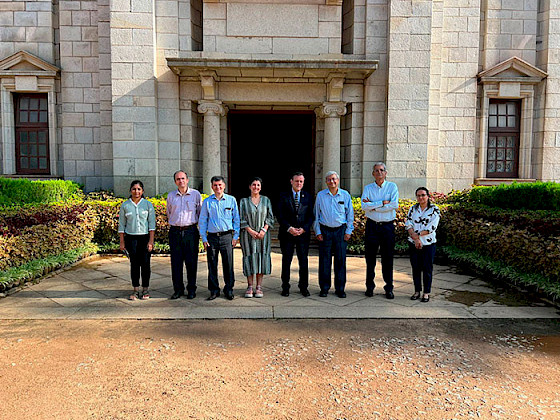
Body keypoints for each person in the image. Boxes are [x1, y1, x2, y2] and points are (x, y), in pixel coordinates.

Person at [361, 162, 399, 299]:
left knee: (387, 258)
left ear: (386, 173)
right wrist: (382, 203)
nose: (379, 173)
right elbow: (364, 206)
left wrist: (373, 206)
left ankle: (389, 288)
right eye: (376, 170)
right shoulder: (368, 188)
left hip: (387, 227)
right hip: (372, 226)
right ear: (373, 173)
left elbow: (394, 204)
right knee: (370, 259)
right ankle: (369, 287)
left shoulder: (392, 187)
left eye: (381, 170)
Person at [199, 176, 240, 300]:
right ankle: (214, 290)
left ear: (224, 186)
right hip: (212, 238)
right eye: (215, 185)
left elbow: (236, 219)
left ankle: (229, 289)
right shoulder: (207, 201)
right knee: (212, 264)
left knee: (228, 264)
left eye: (220, 185)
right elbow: (203, 220)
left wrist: (236, 236)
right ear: (212, 187)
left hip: (227, 236)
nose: (218, 187)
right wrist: (204, 238)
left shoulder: (231, 200)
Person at [313, 171, 354, 298]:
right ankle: (324, 288)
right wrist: (318, 231)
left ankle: (340, 289)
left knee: (340, 261)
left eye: (334, 179)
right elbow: (316, 215)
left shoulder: (345, 195)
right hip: (325, 231)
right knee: (324, 261)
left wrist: (348, 231)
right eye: (329, 179)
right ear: (326, 182)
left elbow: (350, 215)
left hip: (340, 231)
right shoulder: (321, 195)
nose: (332, 182)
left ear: (338, 180)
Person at [276, 172, 314, 297]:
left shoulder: (308, 196)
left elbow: (311, 216)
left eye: (301, 181)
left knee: (303, 261)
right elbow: (280, 215)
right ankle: (285, 287)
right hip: (287, 235)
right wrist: (289, 228)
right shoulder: (283, 196)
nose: (299, 183)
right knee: (286, 261)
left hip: (303, 235)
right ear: (291, 181)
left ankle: (303, 287)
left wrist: (304, 229)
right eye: (297, 181)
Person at [166, 170, 202, 300]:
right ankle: (178, 289)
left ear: (187, 180)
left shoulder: (196, 195)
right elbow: (169, 213)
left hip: (190, 232)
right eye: (178, 179)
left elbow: (200, 213)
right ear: (175, 181)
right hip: (175, 231)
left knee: (191, 262)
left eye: (183, 178)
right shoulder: (171, 196)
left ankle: (191, 289)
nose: (181, 181)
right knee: (176, 263)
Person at [118, 180, 156, 300]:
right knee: (134, 264)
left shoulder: (148, 205)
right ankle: (135, 289)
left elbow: (151, 224)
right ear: (130, 191)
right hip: (131, 238)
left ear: (142, 191)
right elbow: (121, 225)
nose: (136, 191)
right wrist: (122, 241)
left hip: (144, 238)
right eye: (134, 189)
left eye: (139, 189)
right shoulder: (125, 205)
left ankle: (145, 289)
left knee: (145, 264)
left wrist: (151, 241)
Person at [239, 177, 274, 298]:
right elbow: (241, 218)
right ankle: (249, 286)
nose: (256, 187)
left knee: (261, 258)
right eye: (253, 185)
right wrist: (250, 230)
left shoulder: (266, 200)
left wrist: (263, 230)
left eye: (258, 185)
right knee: (249, 258)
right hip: (247, 236)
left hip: (263, 235)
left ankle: (259, 287)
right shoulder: (243, 201)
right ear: (249, 186)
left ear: (261, 187)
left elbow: (270, 217)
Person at [405, 187, 441, 303]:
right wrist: (415, 238)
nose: (421, 197)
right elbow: (408, 223)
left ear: (428, 196)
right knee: (415, 268)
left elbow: (432, 227)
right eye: (418, 195)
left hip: (428, 243)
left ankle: (426, 292)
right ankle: (417, 291)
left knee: (427, 268)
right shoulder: (413, 208)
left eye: (423, 195)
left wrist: (418, 236)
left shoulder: (434, 210)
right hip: (413, 242)